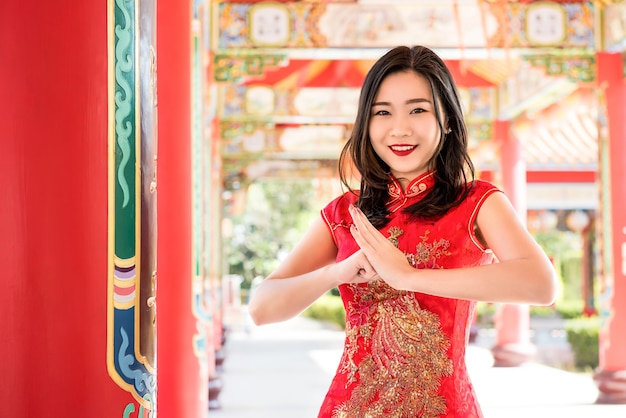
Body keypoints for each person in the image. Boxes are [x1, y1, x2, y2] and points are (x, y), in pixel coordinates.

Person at [248, 45, 557, 418]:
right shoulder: (345, 213)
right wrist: (337, 272)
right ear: (366, 123)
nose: (400, 128)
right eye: (382, 112)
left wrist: (409, 276)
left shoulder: (477, 202)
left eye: (418, 110)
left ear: (446, 120)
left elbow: (541, 285)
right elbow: (262, 308)